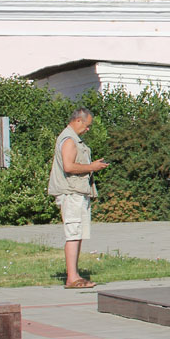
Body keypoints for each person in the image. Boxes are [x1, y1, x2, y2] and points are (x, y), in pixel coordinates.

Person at [48, 108, 107, 288]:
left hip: (77, 193)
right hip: (71, 193)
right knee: (73, 233)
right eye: (87, 125)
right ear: (78, 121)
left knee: (77, 234)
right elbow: (68, 166)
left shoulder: (73, 139)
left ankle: (75, 275)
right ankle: (72, 277)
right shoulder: (69, 140)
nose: (88, 129)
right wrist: (92, 167)